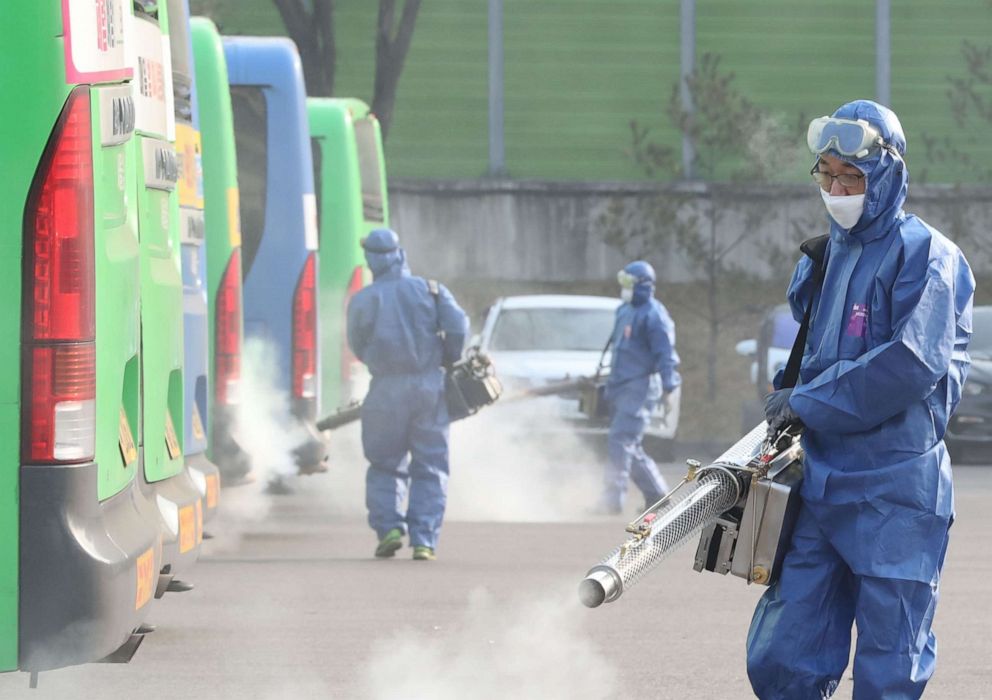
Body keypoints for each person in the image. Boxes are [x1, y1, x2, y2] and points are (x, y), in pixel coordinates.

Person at [747, 100, 975, 699]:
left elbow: (910, 364)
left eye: (853, 177)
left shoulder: (929, 255)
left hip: (896, 489)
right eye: (828, 175)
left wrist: (809, 401)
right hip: (823, 480)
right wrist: (791, 393)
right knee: (785, 647)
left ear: (888, 175)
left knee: (889, 659)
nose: (839, 189)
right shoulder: (828, 254)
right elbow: (817, 352)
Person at [346, 228, 468, 561]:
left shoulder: (363, 299)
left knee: (384, 463)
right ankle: (424, 541)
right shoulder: (431, 290)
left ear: (371, 258)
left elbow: (356, 343)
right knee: (430, 467)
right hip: (429, 388)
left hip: (385, 390)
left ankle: (389, 529)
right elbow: (459, 327)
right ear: (400, 253)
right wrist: (447, 357)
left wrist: (377, 361)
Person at [598, 260, 681, 514]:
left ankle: (613, 501)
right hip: (621, 387)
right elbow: (618, 351)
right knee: (629, 444)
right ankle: (657, 495)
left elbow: (666, 355)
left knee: (620, 441)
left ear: (643, 286)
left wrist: (669, 388)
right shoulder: (624, 310)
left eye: (627, 283)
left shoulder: (655, 316)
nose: (623, 288)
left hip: (640, 388)